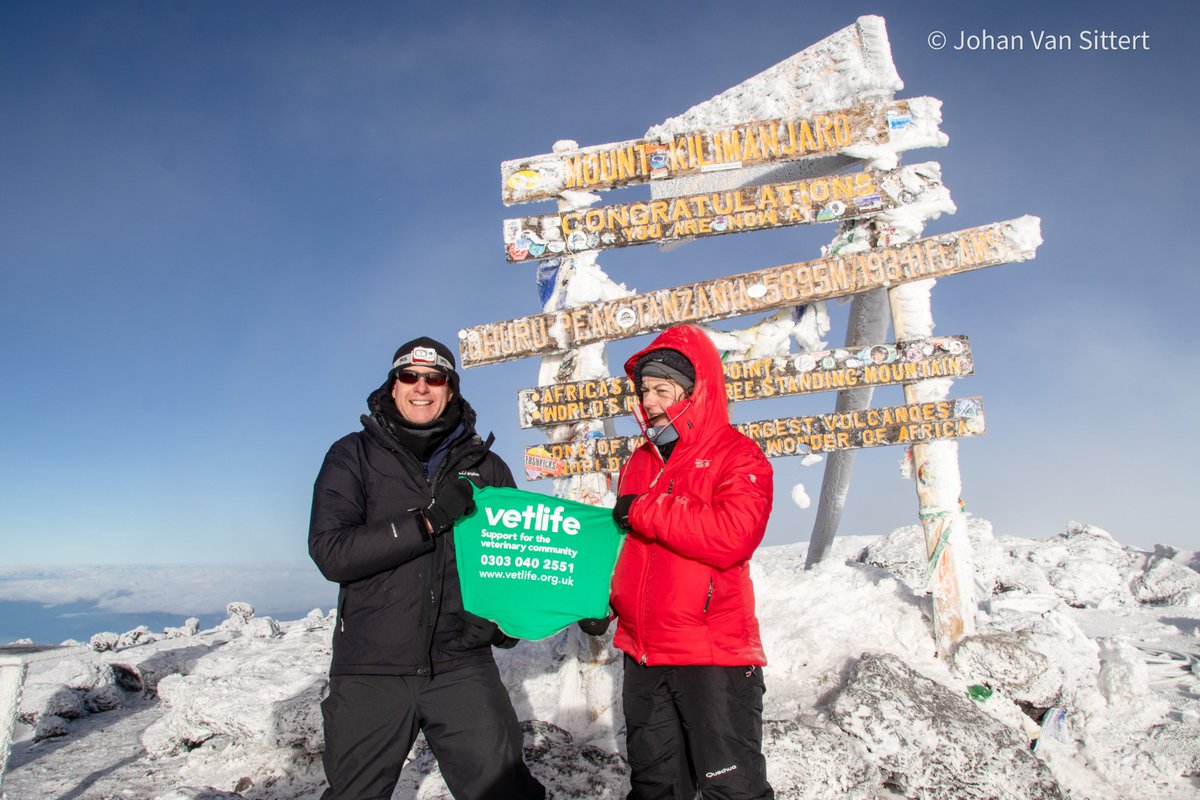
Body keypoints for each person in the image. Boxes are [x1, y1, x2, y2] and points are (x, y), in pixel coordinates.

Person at [308, 336, 545, 800]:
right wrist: (427, 522)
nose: (422, 387)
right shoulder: (351, 455)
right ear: (393, 386)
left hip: (461, 666)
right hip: (370, 668)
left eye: (435, 378)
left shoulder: (486, 466)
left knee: (506, 793)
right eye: (410, 376)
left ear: (450, 389)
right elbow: (332, 551)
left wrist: (503, 625)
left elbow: (521, 560)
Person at [602, 324, 776, 800]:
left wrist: (644, 508)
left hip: (711, 656)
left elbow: (734, 536)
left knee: (732, 791)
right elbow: (627, 549)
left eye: (663, 389)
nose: (651, 401)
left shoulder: (736, 455)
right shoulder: (638, 461)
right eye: (645, 390)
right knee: (657, 788)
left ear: (696, 391)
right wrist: (604, 600)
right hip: (642, 655)